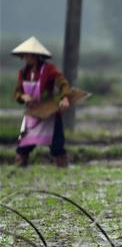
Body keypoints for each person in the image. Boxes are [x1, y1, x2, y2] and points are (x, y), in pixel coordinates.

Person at [11, 37, 72, 168]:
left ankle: (63, 168)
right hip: (32, 113)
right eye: (24, 56)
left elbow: (62, 83)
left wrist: (65, 97)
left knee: (57, 145)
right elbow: (17, 93)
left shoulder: (49, 70)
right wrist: (23, 97)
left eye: (27, 55)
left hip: (48, 112)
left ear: (35, 56)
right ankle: (19, 167)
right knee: (24, 145)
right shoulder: (23, 73)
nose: (25, 58)